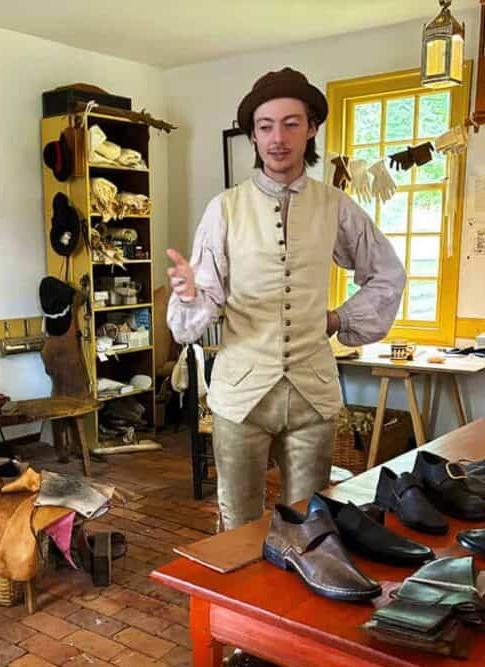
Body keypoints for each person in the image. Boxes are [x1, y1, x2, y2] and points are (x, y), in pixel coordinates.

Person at [167, 67, 405, 531]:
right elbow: (197, 312)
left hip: (312, 392)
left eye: (291, 123)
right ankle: (239, 604)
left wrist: (338, 320)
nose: (278, 138)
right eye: (265, 126)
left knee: (309, 524)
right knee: (238, 523)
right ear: (253, 136)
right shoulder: (226, 208)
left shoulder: (335, 205)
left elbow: (387, 274)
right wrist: (194, 296)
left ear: (311, 128)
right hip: (241, 395)